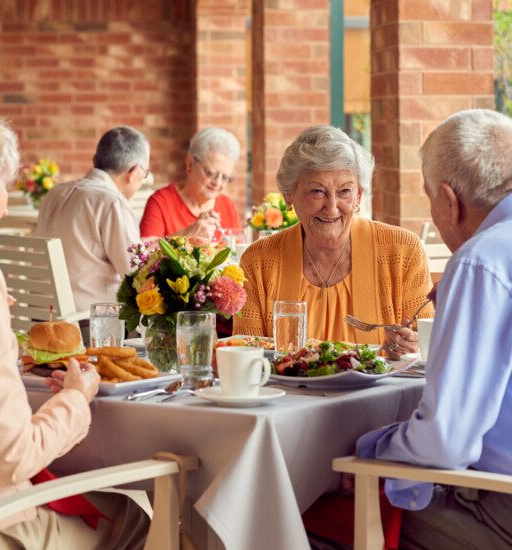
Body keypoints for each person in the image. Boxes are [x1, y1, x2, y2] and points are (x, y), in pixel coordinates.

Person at [0, 107, 149, 548]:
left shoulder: (58, 196)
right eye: (4, 187)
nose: (5, 203)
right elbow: (9, 459)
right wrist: (75, 399)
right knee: (144, 512)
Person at [356, 109, 512, 549]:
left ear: (448, 198)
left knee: (320, 515)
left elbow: (446, 442)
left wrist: (370, 452)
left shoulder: (482, 258)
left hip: (500, 506)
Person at [234, 124, 432, 357]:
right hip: (288, 393)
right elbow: (247, 354)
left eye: (344, 191)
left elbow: (429, 346)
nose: (332, 207)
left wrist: (409, 346)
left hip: (375, 391)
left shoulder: (403, 251)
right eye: (317, 191)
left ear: (358, 195)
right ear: (289, 194)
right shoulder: (258, 261)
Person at [37, 126, 150, 313]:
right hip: (89, 324)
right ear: (135, 171)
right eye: (145, 174)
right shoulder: (112, 202)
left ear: (95, 160)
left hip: (42, 319)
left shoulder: (54, 194)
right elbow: (137, 275)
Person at [139, 127, 241, 242]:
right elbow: (144, 254)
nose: (218, 183)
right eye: (211, 173)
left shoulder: (227, 205)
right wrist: (188, 233)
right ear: (190, 164)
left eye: (226, 178)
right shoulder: (161, 202)